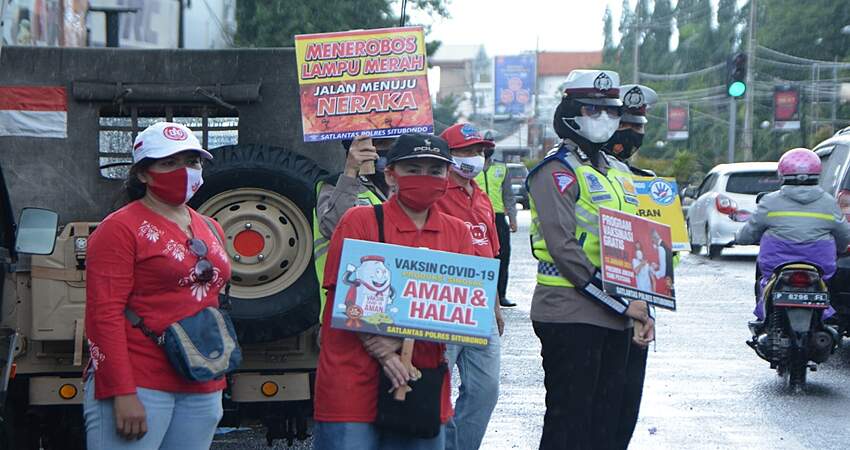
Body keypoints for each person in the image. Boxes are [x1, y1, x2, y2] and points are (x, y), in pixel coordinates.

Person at [313, 133, 476, 450]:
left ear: (447, 175)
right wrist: (385, 351)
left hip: (419, 382)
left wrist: (399, 340)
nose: (424, 178)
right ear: (390, 174)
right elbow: (347, 298)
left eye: (435, 170)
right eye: (412, 169)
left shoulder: (458, 233)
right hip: (352, 383)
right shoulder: (358, 221)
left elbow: (462, 312)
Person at [526, 69, 654, 450]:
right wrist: (624, 303)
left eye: (610, 112)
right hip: (569, 312)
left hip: (620, 314)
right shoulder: (557, 171)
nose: (605, 119)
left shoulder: (617, 173)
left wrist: (644, 306)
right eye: (592, 110)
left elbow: (640, 243)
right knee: (571, 422)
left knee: (610, 423)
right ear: (569, 113)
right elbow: (565, 250)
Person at [84, 122, 231, 449]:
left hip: (201, 381)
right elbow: (103, 314)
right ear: (142, 174)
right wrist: (121, 392)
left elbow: (211, 303)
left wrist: (216, 381)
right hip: (140, 382)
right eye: (168, 163)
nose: (183, 171)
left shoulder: (210, 226)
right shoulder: (119, 229)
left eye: (192, 162)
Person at [435, 122, 504, 450]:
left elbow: (490, 255)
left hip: (480, 305)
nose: (476, 158)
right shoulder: (433, 194)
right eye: (467, 151)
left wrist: (495, 307)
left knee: (486, 389)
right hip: (443, 302)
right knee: (435, 388)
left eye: (480, 151)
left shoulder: (482, 198)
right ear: (448, 156)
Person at [603, 84, 662, 449]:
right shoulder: (576, 173)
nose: (631, 136)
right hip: (594, 304)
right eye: (626, 127)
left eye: (638, 129)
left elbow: (665, 259)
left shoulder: (649, 185)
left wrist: (646, 313)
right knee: (595, 407)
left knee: (626, 402)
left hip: (640, 304)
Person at [736, 147, 850, 322]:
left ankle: (764, 318)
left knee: (764, 282)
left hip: (776, 265)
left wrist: (739, 238)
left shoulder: (770, 202)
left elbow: (748, 233)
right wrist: (840, 249)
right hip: (820, 265)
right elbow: (844, 235)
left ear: (782, 175)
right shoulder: (828, 203)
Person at [313, 135, 394, 323]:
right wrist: (351, 171)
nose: (378, 151)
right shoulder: (333, 186)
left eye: (387, 144)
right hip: (344, 308)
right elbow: (333, 226)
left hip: (393, 308)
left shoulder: (399, 188)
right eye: (372, 144)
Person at [474, 140, 519, 307]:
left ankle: (501, 295)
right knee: (479, 255)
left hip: (498, 218)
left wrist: (512, 218)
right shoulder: (471, 167)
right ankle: (480, 293)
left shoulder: (501, 168)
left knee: (503, 256)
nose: (487, 150)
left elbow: (509, 196)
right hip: (476, 217)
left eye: (490, 146)